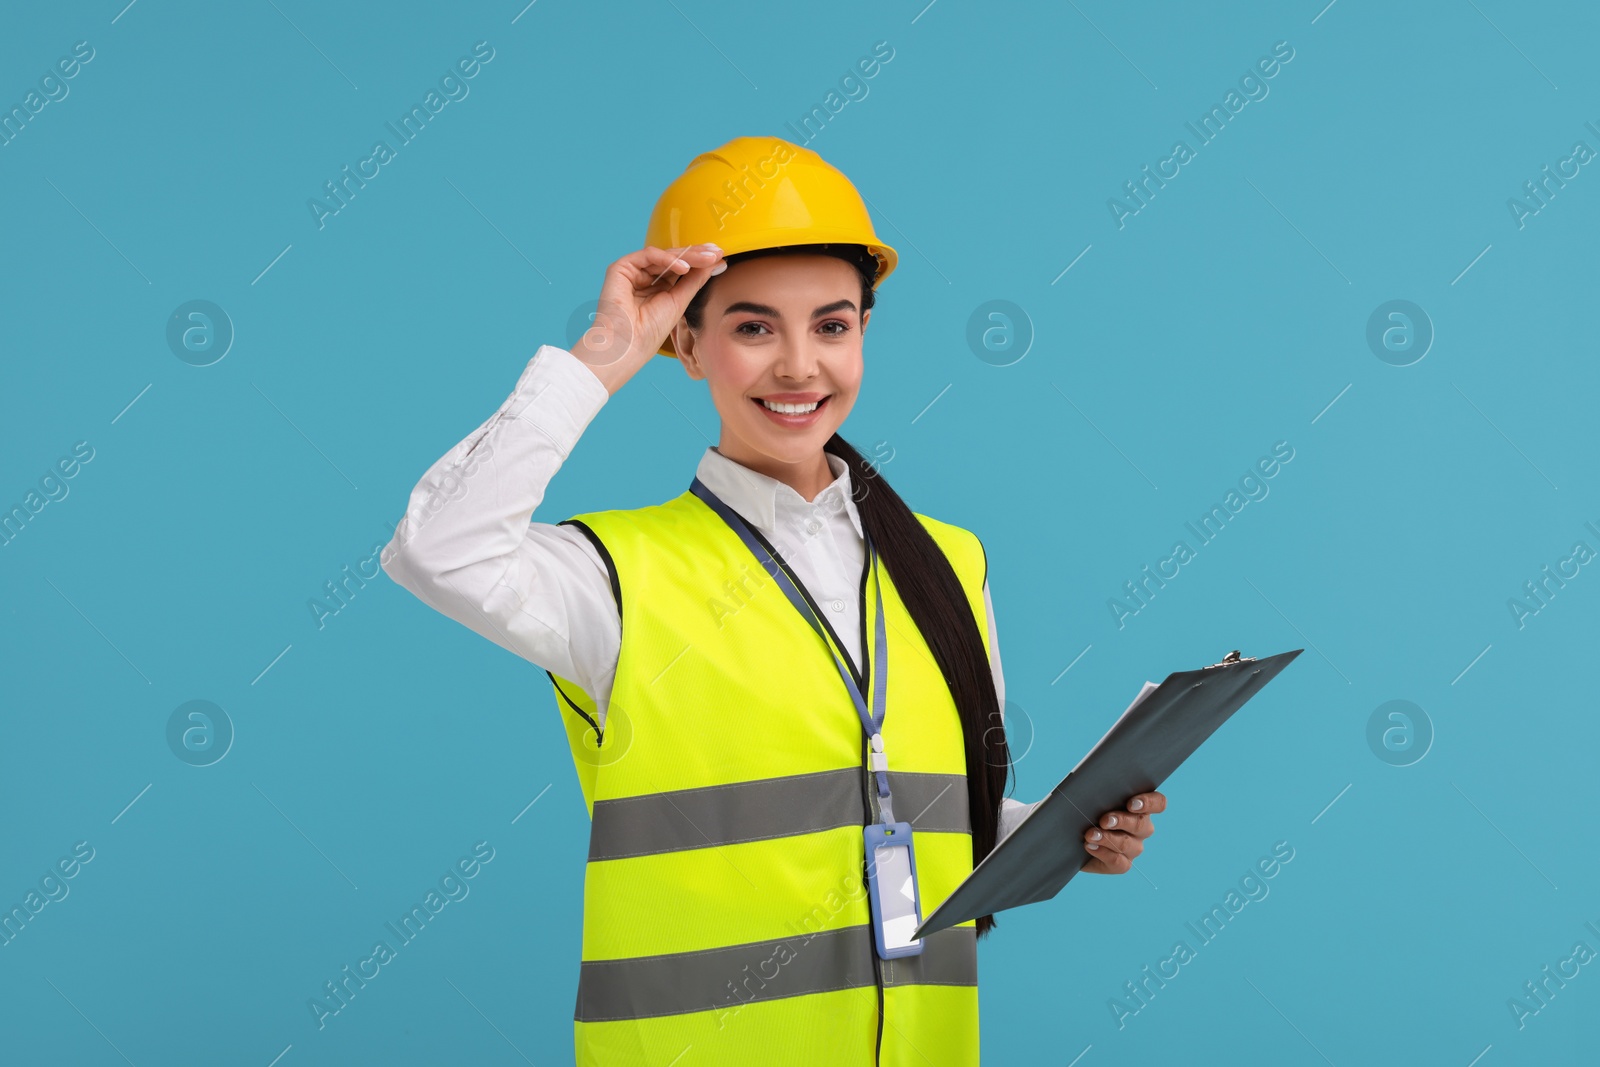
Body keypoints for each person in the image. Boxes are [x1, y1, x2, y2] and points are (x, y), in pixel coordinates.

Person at [381, 136, 1166, 1066]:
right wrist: (600, 356)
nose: (800, 365)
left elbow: (941, 818)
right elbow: (437, 550)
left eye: (832, 326)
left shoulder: (951, 563)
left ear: (864, 334)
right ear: (687, 341)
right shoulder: (615, 575)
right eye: (754, 328)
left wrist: (1067, 833)